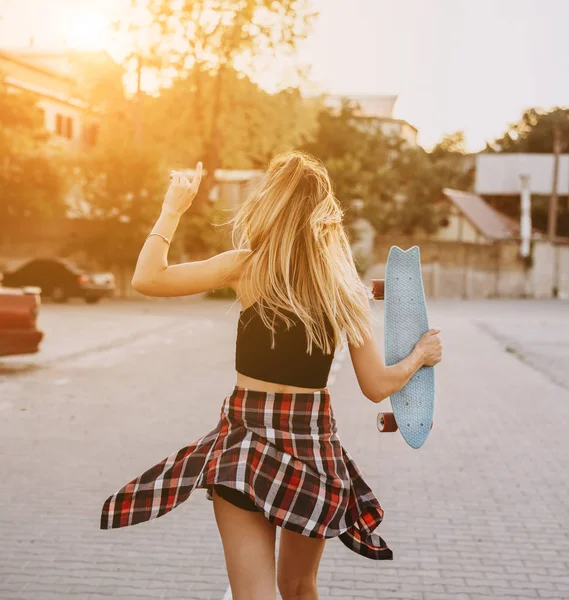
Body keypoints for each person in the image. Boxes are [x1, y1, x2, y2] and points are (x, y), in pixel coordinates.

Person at [100, 151, 442, 600]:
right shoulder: (343, 289)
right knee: (299, 589)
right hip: (312, 452)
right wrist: (420, 354)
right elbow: (376, 386)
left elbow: (148, 278)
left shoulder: (246, 266)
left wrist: (173, 208)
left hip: (243, 446)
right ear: (325, 216)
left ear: (269, 204)